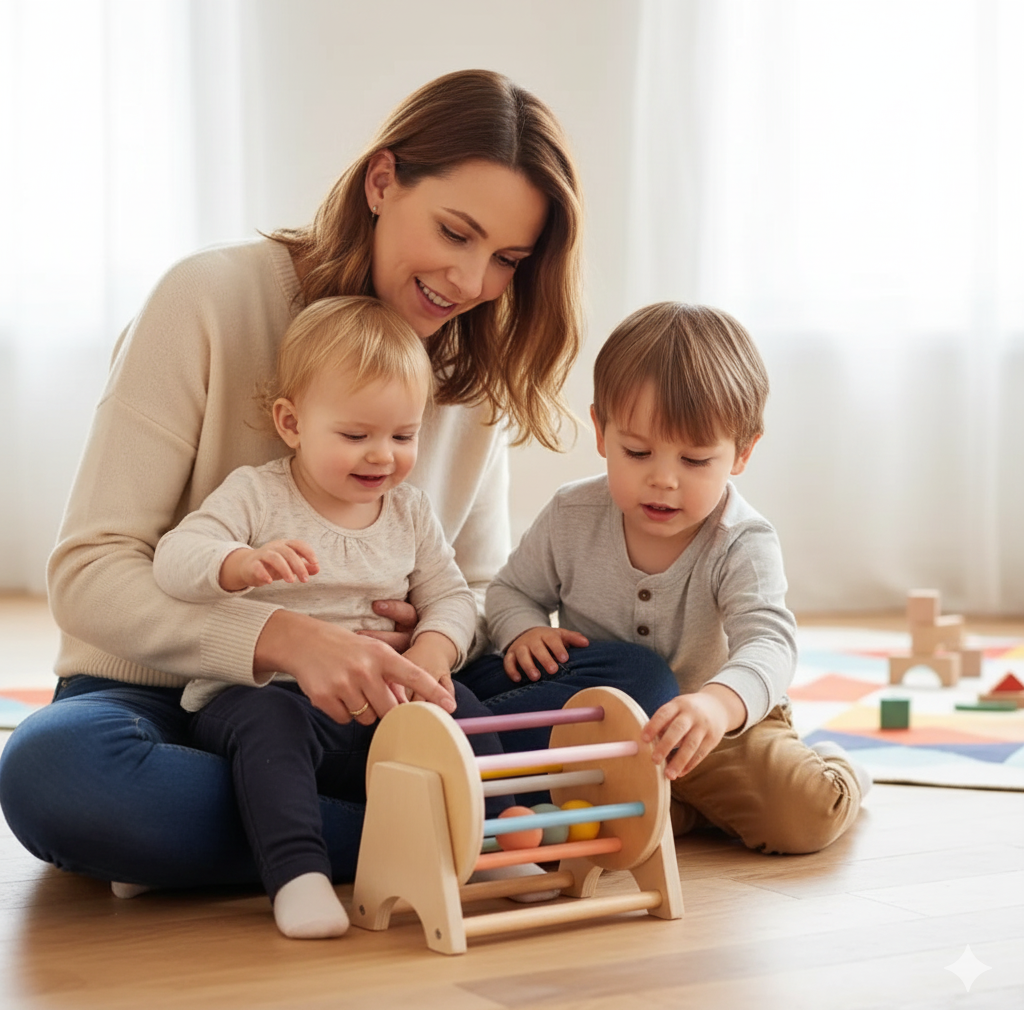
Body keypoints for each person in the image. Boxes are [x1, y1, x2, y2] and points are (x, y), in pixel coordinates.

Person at [0, 69, 678, 894]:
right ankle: (447, 828)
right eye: (455, 233)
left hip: (385, 705)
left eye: (506, 259)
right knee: (56, 774)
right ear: (382, 181)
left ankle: (298, 823)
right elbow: (89, 574)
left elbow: (471, 589)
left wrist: (428, 642)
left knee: (630, 685)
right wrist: (283, 638)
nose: (470, 282)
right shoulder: (209, 299)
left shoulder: (469, 366)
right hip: (178, 699)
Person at [152, 295, 517, 938]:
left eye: (403, 436)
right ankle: (298, 875)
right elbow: (175, 557)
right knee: (267, 731)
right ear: (291, 423)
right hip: (274, 698)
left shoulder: (408, 511)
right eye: (355, 436)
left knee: (461, 705)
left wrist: (432, 652)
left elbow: (455, 597)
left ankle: (497, 833)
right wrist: (238, 562)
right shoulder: (257, 494)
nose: (382, 456)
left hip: (383, 704)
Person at [481, 302, 871, 855]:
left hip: (719, 730)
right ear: (600, 430)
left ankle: (838, 769)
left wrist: (716, 705)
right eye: (637, 452)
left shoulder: (741, 540)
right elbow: (509, 591)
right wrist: (522, 629)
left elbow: (770, 642)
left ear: (742, 452)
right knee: (567, 827)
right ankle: (683, 810)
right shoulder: (572, 515)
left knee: (802, 818)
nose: (663, 480)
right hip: (604, 735)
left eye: (694, 461)